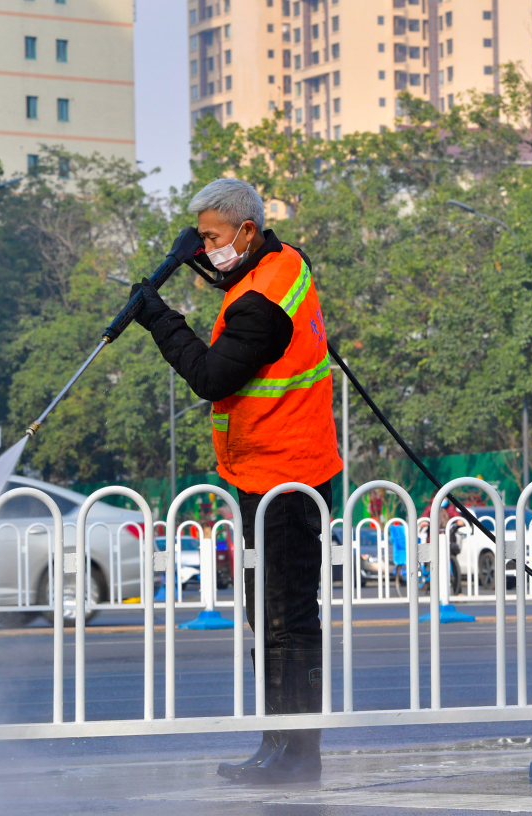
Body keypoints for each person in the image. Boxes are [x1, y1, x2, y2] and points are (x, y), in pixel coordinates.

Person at [129, 178, 341, 784]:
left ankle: (297, 757)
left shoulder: (260, 301)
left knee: (288, 619)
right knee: (266, 616)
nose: (208, 248)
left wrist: (159, 318)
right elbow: (234, 279)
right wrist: (188, 257)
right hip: (268, 472)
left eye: (214, 237)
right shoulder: (279, 263)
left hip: (288, 478)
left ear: (247, 232)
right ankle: (277, 747)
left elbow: (212, 377)